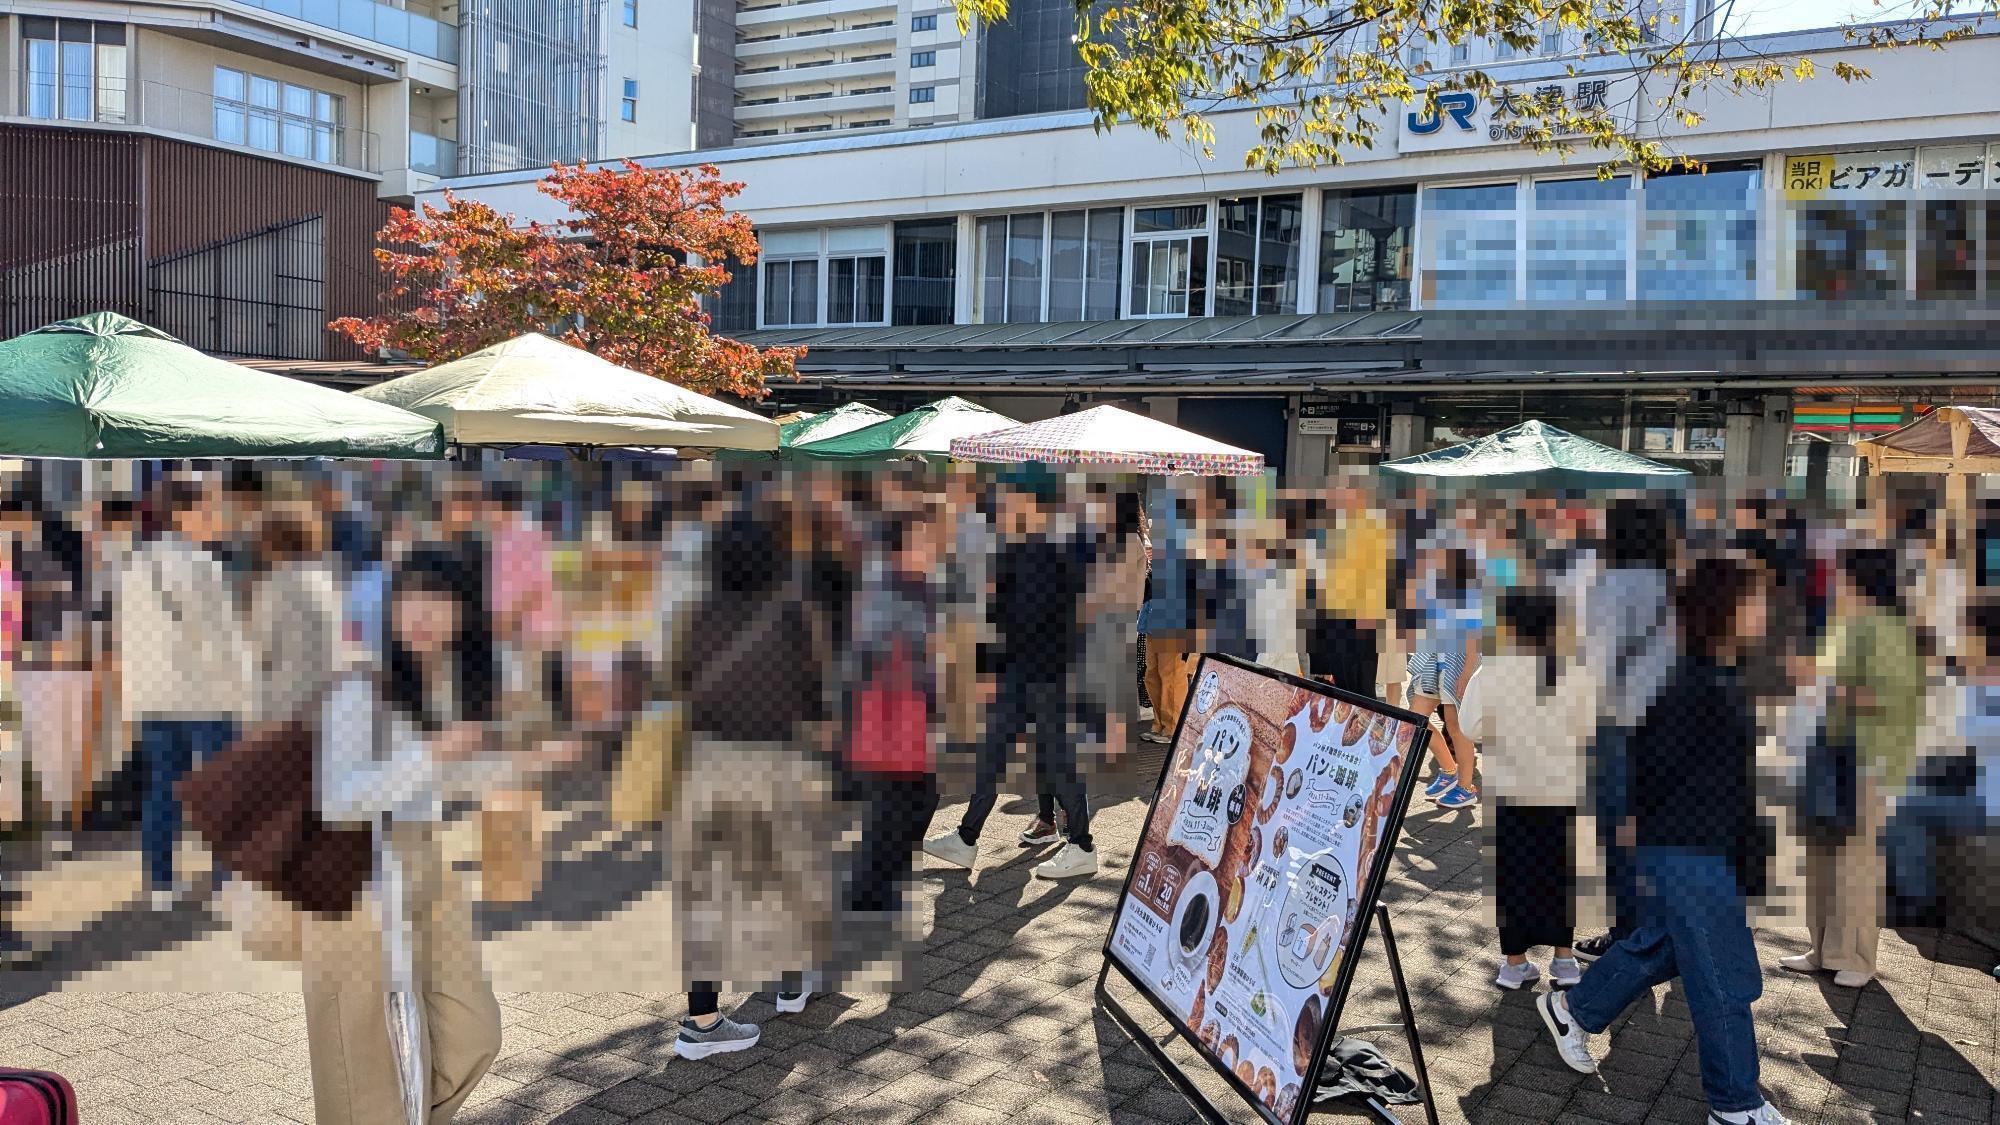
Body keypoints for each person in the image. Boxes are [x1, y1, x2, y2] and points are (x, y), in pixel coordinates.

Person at [1538, 555, 1791, 1125]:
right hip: (1687, 844)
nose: (1766, 611)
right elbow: (1644, 759)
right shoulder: (1681, 673)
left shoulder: (1715, 667)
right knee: (1722, 975)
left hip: (1707, 843)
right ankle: (1735, 1104)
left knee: (1672, 946)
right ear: (1723, 607)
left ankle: (1574, 1008)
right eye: (1756, 601)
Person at [307, 547, 553, 1124]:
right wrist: (431, 753)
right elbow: (337, 800)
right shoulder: (359, 687)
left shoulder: (437, 687)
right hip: (356, 882)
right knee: (370, 1070)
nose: (422, 612)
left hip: (422, 869)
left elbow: (433, 785)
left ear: (464, 612)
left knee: (470, 1033)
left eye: (439, 599)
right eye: (409, 597)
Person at [671, 507, 835, 1057]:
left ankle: (702, 1019)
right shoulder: (790, 614)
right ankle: (791, 982)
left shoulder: (694, 614)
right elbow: (814, 697)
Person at [924, 485, 1096, 880]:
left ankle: (1083, 846)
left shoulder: (1048, 551)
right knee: (990, 752)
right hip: (1020, 673)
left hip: (1046, 675)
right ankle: (966, 839)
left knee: (1056, 759)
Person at [1779, 546, 1924, 989]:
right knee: (1821, 855)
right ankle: (1822, 946)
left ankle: (1858, 957)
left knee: (1856, 862)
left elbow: (1896, 699)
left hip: (1868, 760)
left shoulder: (1891, 631)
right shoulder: (1844, 626)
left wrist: (1833, 690)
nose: (1835, 583)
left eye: (1842, 576)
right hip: (1828, 754)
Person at [117, 477, 251, 909]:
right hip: (206, 693)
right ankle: (225, 883)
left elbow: (129, 636)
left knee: (163, 787)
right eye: (206, 511)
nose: (215, 519)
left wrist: (134, 693)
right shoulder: (202, 564)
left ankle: (160, 884)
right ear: (179, 514)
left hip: (155, 693)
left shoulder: (134, 564)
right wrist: (246, 688)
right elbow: (223, 639)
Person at [1574, 497, 1679, 963]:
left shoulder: (1611, 586)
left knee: (1618, 832)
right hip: (1668, 723)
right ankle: (1663, 927)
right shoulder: (1671, 582)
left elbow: (1596, 662)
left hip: (1618, 723)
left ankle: (1629, 933)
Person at [1481, 586, 1596, 991]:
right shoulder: (1574, 668)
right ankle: (1564, 961)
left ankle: (1515, 964)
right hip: (1561, 787)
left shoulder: (1495, 668)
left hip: (1509, 788)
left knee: (1511, 873)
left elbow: (1471, 722)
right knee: (1559, 869)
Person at [1886, 596, 2000, 928]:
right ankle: (1901, 886)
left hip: (1989, 801)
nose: (1961, 638)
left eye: (1967, 631)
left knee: (1908, 807)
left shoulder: (1988, 680)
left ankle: (1918, 902)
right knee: (1901, 784)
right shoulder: (1980, 675)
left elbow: (1966, 734)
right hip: (1976, 783)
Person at [1406, 544, 1483, 810]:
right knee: (1414, 719)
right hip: (1432, 660)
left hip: (1457, 661)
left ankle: (1465, 786)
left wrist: (1468, 672)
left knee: (1455, 723)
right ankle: (1448, 769)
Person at [1140, 483, 1193, 743]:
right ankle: (1160, 723)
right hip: (1156, 612)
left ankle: (1173, 726)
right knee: (1153, 671)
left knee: (1171, 673)